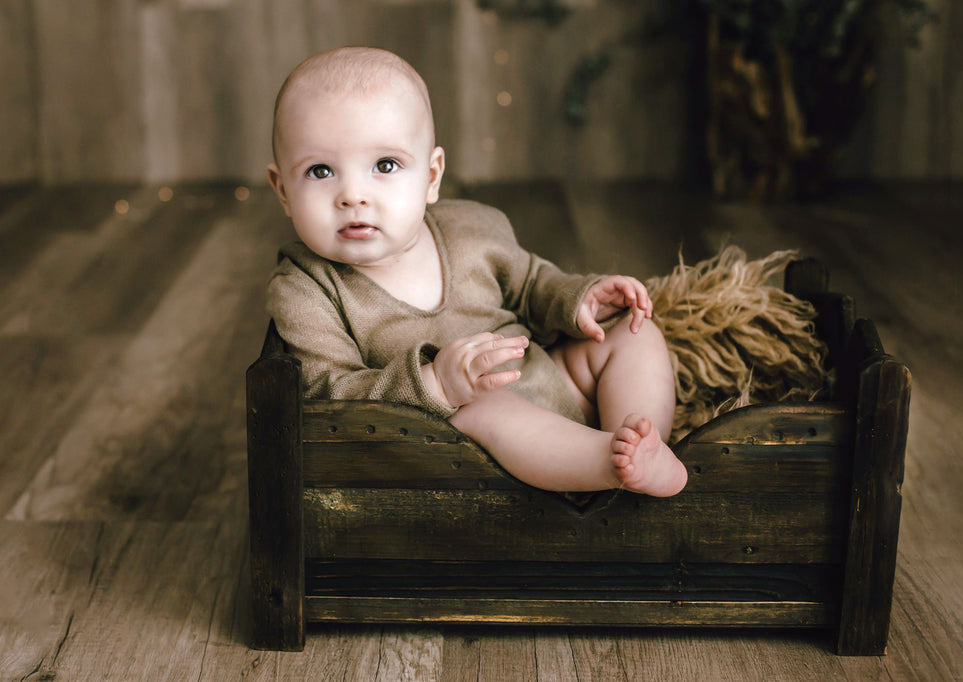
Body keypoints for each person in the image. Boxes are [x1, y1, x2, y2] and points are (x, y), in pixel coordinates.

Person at [266, 46, 687, 497]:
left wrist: (579, 298)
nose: (352, 194)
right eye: (320, 170)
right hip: (465, 443)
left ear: (431, 177)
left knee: (634, 334)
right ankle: (607, 467)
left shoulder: (474, 227)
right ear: (283, 190)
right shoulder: (304, 290)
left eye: (385, 165)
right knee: (482, 408)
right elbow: (331, 400)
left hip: (549, 379)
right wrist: (437, 384)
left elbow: (530, 283)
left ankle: (643, 441)